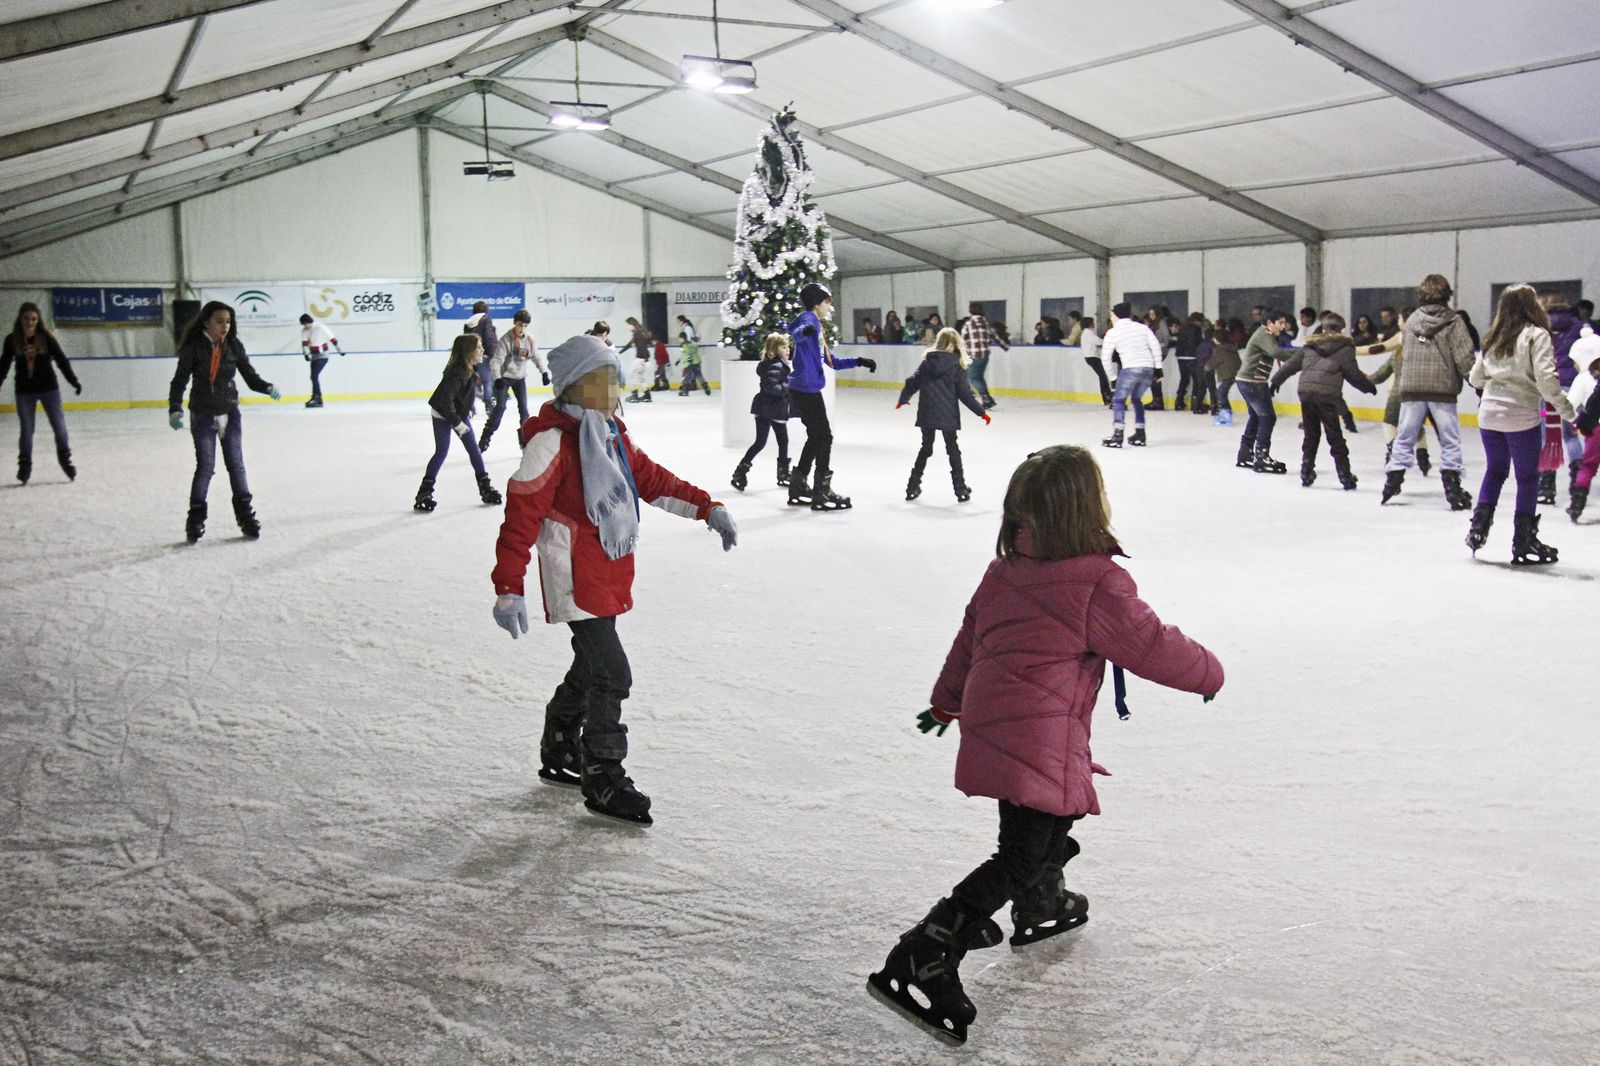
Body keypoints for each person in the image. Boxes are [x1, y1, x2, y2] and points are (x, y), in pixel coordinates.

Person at [867, 445, 1223, 1046]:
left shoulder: (1004, 571)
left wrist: (946, 702)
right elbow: (1151, 644)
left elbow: (969, 640)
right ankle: (926, 949)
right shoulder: (1098, 581)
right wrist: (1208, 674)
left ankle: (1040, 901)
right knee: (1021, 852)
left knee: (1054, 817)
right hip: (1040, 734)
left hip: (999, 722)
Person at [489, 334, 738, 827]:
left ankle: (559, 742)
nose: (614, 386)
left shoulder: (610, 433)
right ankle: (603, 774)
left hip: (608, 565)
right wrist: (508, 585)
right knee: (612, 672)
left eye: (613, 376)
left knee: (590, 665)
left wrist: (707, 507)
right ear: (575, 386)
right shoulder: (552, 441)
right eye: (602, 379)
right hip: (574, 572)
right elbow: (520, 516)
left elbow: (651, 481)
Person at [1464, 284, 1574, 564]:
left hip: (1488, 414)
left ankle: (1478, 529)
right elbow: (1548, 382)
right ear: (1531, 306)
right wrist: (1569, 411)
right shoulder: (1537, 336)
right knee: (1527, 477)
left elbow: (1475, 378)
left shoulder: (1493, 336)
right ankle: (1523, 540)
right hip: (1520, 414)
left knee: (1495, 471)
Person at [167, 300, 281, 542]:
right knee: (206, 467)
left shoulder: (233, 346)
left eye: (228, 321)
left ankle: (246, 516)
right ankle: (195, 520)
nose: (225, 326)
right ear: (206, 321)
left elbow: (250, 377)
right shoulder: (194, 347)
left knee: (236, 465)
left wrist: (267, 387)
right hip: (202, 414)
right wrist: (175, 409)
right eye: (220, 321)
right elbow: (179, 381)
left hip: (230, 412)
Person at [1379, 276, 1476, 509]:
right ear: (1447, 295)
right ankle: (1452, 488)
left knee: (1404, 437)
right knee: (1450, 440)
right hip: (1442, 390)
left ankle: (1392, 481)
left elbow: (1407, 353)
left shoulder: (1412, 321)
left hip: (1412, 388)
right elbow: (1464, 357)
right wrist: (1477, 382)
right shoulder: (1454, 321)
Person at [786, 282, 876, 511]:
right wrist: (803, 332)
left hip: (804, 389)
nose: (829, 307)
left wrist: (858, 361)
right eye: (827, 302)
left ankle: (799, 484)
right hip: (806, 390)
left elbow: (831, 361)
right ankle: (821, 491)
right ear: (817, 303)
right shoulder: (809, 319)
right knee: (824, 437)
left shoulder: (816, 326)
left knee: (817, 437)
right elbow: (798, 332)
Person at [1269, 312, 1377, 490]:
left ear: (1323, 328)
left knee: (1311, 435)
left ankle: (1306, 472)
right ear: (1341, 329)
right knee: (1334, 436)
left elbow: (1290, 366)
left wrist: (1275, 381)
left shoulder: (1310, 346)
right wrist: (1368, 387)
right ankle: (1344, 475)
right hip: (1327, 395)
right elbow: (1353, 374)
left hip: (1306, 393)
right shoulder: (1345, 348)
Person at [897, 328, 990, 503]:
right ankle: (960, 489)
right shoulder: (957, 365)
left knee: (926, 448)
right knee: (953, 450)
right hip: (948, 414)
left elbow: (912, 381)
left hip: (927, 412)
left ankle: (911, 486)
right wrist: (981, 412)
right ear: (956, 344)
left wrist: (904, 398)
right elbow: (965, 394)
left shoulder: (927, 362)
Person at [412, 334, 502, 513]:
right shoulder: (457, 373)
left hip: (457, 413)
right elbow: (446, 401)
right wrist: (458, 423)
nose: (482, 350)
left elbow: (462, 396)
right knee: (442, 451)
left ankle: (485, 487)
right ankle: (424, 492)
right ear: (468, 351)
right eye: (478, 347)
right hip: (442, 413)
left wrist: (466, 410)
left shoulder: (470, 369)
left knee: (474, 450)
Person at [2, 302, 81, 484]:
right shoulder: (12, 340)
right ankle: (25, 466)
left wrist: (73, 380)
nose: (30, 322)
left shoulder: (46, 338)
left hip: (49, 390)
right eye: (26, 318)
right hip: (24, 392)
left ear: (38, 320)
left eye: (34, 319)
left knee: (59, 427)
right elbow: (3, 365)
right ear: (20, 319)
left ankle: (65, 460)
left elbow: (61, 360)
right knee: (27, 430)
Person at [731, 332, 792, 491]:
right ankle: (781, 473)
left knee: (771, 442)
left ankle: (743, 472)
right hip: (770, 408)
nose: (788, 350)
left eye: (788, 346)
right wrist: (787, 389)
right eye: (783, 347)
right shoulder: (777, 365)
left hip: (767, 408)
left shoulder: (772, 363)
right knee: (769, 442)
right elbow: (770, 386)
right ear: (774, 349)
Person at [479, 309, 546, 453]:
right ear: (515, 323)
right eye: (520, 325)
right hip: (504, 379)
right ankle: (486, 437)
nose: (522, 329)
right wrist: (497, 378)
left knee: (524, 410)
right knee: (500, 408)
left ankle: (525, 439)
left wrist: (544, 372)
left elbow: (536, 357)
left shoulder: (529, 340)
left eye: (525, 326)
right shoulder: (506, 339)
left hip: (520, 379)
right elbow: (496, 361)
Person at [1541, 292, 1586, 506]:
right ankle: (1578, 481)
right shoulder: (1579, 327)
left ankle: (1547, 486)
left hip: (1548, 388)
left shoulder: (1540, 327)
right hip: (1573, 389)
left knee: (1547, 437)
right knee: (1571, 436)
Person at [1100, 303, 1163, 448]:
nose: (1111, 318)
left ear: (1116, 315)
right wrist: (1158, 368)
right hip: (1148, 369)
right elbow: (1155, 346)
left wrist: (1112, 378)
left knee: (1118, 400)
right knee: (1136, 399)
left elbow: (1105, 357)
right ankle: (1140, 434)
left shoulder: (1113, 332)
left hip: (1130, 368)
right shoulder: (1142, 328)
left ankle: (1118, 434)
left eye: (1112, 315)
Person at [1235, 310, 1290, 473]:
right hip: (1252, 382)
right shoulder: (1263, 334)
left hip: (1252, 381)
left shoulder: (1266, 335)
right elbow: (1276, 352)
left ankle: (1245, 455)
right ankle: (1261, 456)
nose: (1283, 326)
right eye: (1280, 323)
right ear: (1269, 323)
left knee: (1257, 417)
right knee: (1267, 417)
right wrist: (1301, 356)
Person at [1565, 327, 1600, 522]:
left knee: (1587, 466)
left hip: (1595, 428)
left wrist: (1575, 421)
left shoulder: (1584, 378)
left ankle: (1576, 505)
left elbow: (1570, 404)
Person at [960, 303, 1006, 410]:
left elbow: (962, 340)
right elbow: (995, 337)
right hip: (985, 356)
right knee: (979, 377)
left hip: (974, 355)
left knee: (973, 377)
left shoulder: (968, 324)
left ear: (970, 311)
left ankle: (986, 399)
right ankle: (987, 399)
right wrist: (1004, 347)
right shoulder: (986, 323)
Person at [298, 313, 343, 409]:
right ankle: (318, 399)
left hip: (323, 355)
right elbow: (305, 344)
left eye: (305, 324)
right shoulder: (304, 330)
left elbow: (332, 339)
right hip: (314, 355)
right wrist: (306, 354)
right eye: (303, 325)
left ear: (309, 321)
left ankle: (316, 397)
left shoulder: (320, 327)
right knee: (313, 377)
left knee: (314, 376)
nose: (305, 326)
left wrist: (340, 350)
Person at [464, 301, 498, 414]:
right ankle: (488, 405)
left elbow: (465, 340)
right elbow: (488, 338)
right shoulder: (486, 319)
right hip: (482, 355)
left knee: (471, 382)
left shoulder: (468, 322)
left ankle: (470, 406)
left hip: (469, 357)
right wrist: (491, 354)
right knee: (487, 381)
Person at [1207, 327, 1240, 427]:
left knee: (1221, 393)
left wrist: (1206, 367)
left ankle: (1226, 414)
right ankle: (1225, 413)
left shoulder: (1219, 350)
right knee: (1222, 393)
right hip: (1235, 374)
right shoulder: (1232, 348)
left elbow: (1212, 363)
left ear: (1218, 339)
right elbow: (1238, 362)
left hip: (1227, 374)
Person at [1174, 311, 1206, 412]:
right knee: (1197, 380)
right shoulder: (1196, 329)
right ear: (1197, 321)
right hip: (1192, 357)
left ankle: (1179, 401)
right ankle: (1195, 403)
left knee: (1184, 379)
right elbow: (1199, 343)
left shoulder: (1182, 327)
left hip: (1181, 357)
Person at [621, 317, 654, 404]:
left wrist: (646, 360)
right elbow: (630, 344)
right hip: (643, 358)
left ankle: (634, 395)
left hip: (640, 359)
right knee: (640, 377)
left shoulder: (638, 334)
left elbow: (642, 347)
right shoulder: (639, 333)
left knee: (631, 374)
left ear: (632, 324)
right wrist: (620, 352)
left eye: (628, 325)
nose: (627, 327)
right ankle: (647, 395)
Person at [1080, 316, 1111, 406]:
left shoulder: (1088, 333)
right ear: (1090, 324)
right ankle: (1107, 396)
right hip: (1092, 357)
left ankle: (1107, 396)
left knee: (1102, 376)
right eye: (1093, 322)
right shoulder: (1088, 333)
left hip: (1091, 357)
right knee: (1103, 376)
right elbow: (1099, 342)